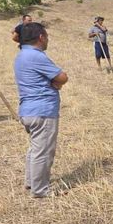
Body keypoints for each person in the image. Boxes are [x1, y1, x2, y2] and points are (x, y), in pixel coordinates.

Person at [13, 23, 69, 198]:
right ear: (40, 37)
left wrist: (55, 83)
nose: (48, 39)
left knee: (35, 149)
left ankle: (32, 182)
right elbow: (62, 77)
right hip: (42, 110)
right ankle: (40, 190)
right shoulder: (37, 56)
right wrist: (56, 83)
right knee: (43, 152)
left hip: (28, 110)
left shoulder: (21, 55)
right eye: (47, 36)